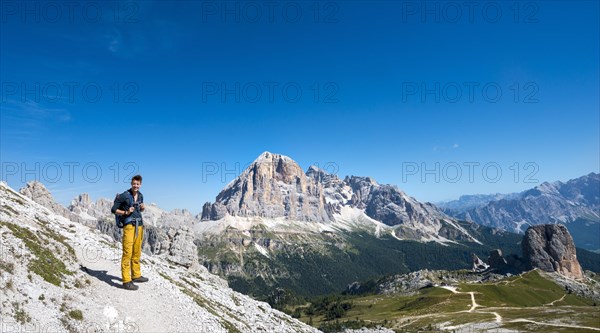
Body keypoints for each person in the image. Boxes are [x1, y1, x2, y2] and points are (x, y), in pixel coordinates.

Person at [111, 174, 149, 290]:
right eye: (134, 184)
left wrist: (142, 208)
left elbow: (140, 210)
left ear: (140, 184)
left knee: (136, 251)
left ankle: (136, 275)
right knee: (127, 252)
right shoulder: (124, 195)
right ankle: (126, 280)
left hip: (139, 226)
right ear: (131, 184)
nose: (135, 186)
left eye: (137, 184)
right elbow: (113, 210)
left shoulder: (141, 195)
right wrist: (126, 212)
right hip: (129, 226)